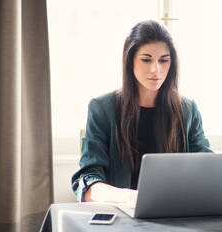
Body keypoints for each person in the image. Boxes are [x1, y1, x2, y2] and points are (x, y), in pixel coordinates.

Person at [71, 20, 212, 207]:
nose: (156, 69)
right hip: (125, 214)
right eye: (146, 60)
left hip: (174, 213)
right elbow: (88, 182)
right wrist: (131, 197)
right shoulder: (102, 108)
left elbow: (207, 167)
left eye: (164, 60)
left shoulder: (187, 109)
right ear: (130, 62)